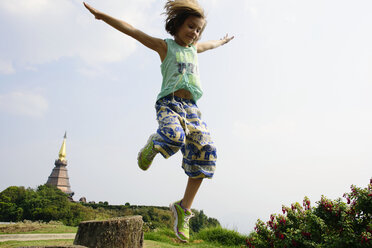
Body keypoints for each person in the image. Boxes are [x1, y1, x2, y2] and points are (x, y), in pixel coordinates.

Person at [83, 0, 233, 242]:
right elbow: (133, 30)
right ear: (177, 25)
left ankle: (183, 209)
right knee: (174, 137)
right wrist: (103, 17)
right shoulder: (166, 47)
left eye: (198, 30)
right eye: (191, 27)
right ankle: (154, 144)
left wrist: (223, 41)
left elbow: (212, 45)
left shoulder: (195, 49)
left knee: (207, 152)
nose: (195, 33)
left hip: (192, 109)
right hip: (170, 105)